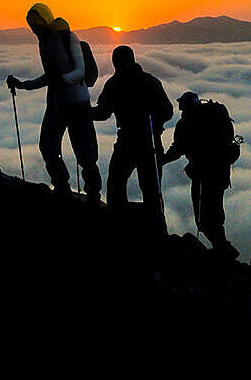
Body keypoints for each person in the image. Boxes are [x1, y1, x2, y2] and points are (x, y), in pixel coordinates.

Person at [7, 4, 100, 203]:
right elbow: (50, 76)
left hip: (76, 103)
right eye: (32, 26)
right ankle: (63, 187)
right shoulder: (44, 43)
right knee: (49, 147)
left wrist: (62, 79)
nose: (34, 30)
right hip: (58, 102)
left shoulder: (68, 38)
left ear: (45, 22)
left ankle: (92, 194)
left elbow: (80, 71)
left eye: (36, 25)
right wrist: (24, 85)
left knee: (85, 153)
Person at [91, 46, 172, 214]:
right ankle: (156, 230)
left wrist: (83, 113)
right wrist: (155, 123)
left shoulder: (114, 83)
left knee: (116, 184)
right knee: (152, 191)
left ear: (115, 62)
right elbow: (168, 111)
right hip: (150, 142)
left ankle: (119, 222)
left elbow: (103, 113)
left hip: (127, 141)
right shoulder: (151, 81)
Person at [161, 92, 239, 259]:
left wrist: (161, 160)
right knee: (215, 212)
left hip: (204, 174)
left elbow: (178, 148)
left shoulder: (187, 122)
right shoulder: (214, 115)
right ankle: (222, 247)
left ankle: (223, 249)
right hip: (221, 172)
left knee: (204, 216)